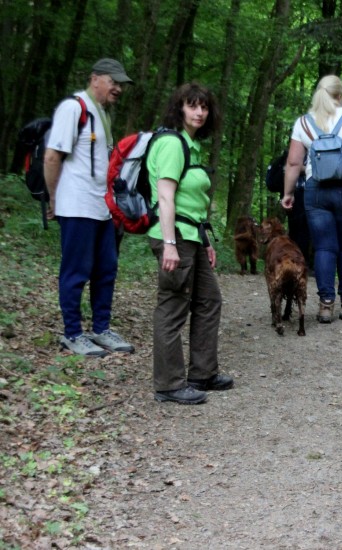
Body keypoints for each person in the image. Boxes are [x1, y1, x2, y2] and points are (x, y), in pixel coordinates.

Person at [148, 83, 233, 405]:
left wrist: (205, 240)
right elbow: (165, 197)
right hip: (174, 237)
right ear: (179, 108)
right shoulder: (172, 144)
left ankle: (202, 372)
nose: (199, 112)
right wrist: (169, 244)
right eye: (192, 105)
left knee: (209, 300)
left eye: (204, 107)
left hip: (192, 236)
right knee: (172, 306)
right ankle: (169, 384)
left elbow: (192, 203)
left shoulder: (191, 146)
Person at [44, 58, 136, 357]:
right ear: (95, 78)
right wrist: (54, 199)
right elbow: (52, 157)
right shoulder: (74, 108)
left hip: (101, 208)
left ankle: (101, 329)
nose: (118, 88)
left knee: (106, 269)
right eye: (113, 82)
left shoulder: (102, 114)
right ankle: (72, 333)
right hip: (76, 205)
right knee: (76, 272)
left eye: (121, 84)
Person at [281, 75, 342, 323]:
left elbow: (293, 162)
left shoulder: (303, 122)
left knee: (324, 247)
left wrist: (288, 193)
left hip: (316, 189)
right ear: (340, 94)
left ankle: (325, 306)